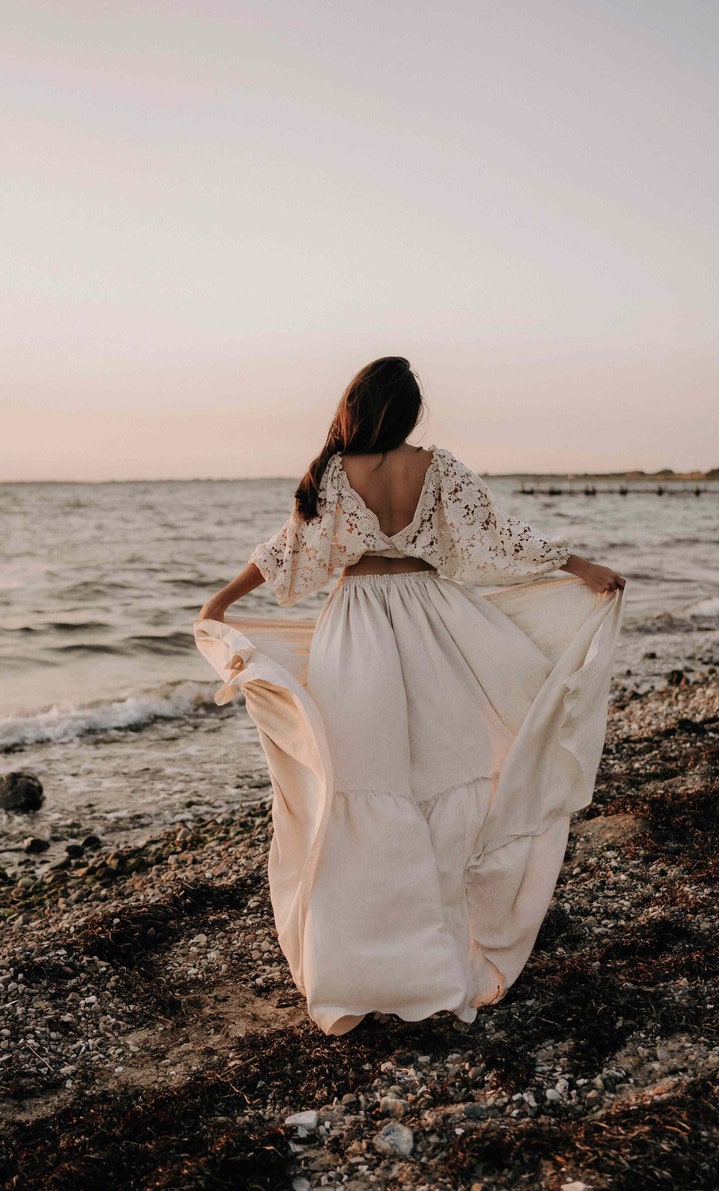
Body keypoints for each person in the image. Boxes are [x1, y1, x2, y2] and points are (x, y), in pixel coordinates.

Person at [195, 356, 626, 1036]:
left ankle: (369, 967)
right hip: (435, 624)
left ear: (358, 406)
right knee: (442, 784)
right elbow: (499, 540)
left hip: (358, 631)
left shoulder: (336, 473)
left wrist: (221, 600)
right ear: (410, 411)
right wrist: (578, 565)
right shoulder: (438, 465)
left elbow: (286, 553)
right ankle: (441, 959)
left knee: (362, 788)